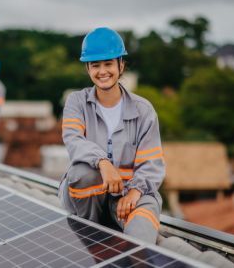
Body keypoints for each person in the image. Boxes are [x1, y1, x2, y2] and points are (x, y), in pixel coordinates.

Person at [58, 27, 165, 244]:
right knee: (83, 173)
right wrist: (102, 163)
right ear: (87, 68)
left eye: (108, 64)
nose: (102, 71)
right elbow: (73, 140)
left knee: (141, 242)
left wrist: (135, 192)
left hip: (130, 195)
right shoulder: (76, 102)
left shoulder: (144, 110)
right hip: (89, 198)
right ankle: (91, 236)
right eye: (95, 65)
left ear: (121, 65)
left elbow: (152, 163)